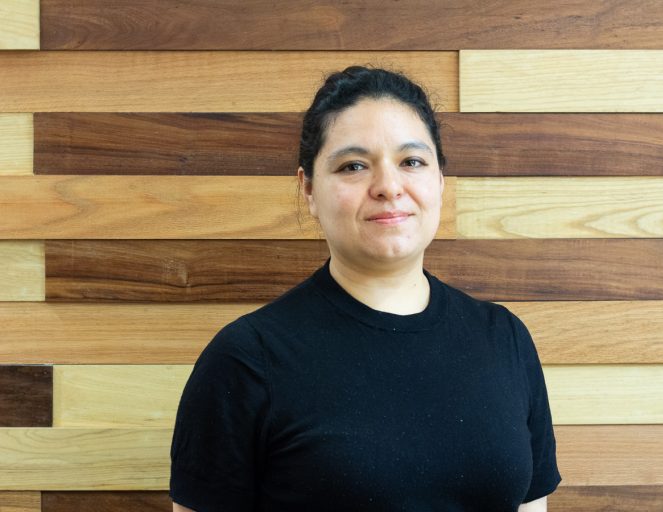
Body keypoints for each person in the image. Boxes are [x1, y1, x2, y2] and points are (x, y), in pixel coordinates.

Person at [170, 66, 561, 511]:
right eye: (353, 166)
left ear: (439, 180)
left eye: (411, 162)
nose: (389, 187)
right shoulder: (246, 359)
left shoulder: (504, 339)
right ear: (309, 190)